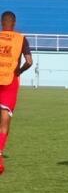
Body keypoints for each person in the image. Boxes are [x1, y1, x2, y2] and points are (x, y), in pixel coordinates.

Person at [0, 11, 33, 175]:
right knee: (5, 119)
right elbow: (29, 61)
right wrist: (19, 71)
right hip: (9, 81)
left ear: (1, 23)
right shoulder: (21, 39)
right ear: (14, 22)